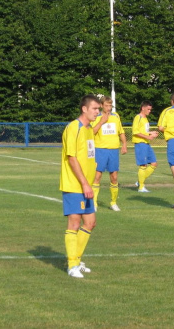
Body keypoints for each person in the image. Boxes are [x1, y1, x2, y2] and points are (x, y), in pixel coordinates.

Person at [60, 94, 101, 278]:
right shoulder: (73, 127)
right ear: (84, 109)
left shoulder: (89, 129)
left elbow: (88, 154)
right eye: (94, 109)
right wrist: (84, 183)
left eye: (98, 109)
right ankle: (72, 265)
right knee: (74, 223)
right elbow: (72, 157)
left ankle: (76, 258)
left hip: (87, 184)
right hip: (74, 184)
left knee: (90, 223)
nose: (97, 112)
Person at [91, 96, 127, 211]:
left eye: (110, 105)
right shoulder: (96, 117)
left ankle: (113, 202)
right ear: (101, 106)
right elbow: (91, 132)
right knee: (97, 176)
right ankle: (94, 203)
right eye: (106, 105)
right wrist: (101, 122)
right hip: (100, 150)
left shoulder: (116, 117)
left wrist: (124, 144)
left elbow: (121, 132)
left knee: (114, 177)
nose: (109, 108)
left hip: (113, 150)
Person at [132, 101, 159, 192]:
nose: (149, 111)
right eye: (148, 109)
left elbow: (143, 131)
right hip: (140, 144)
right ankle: (141, 187)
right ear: (143, 108)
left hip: (146, 144)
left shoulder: (145, 119)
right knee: (143, 165)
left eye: (150, 109)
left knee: (154, 163)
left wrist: (151, 133)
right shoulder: (138, 117)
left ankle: (140, 181)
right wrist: (148, 136)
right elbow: (135, 131)